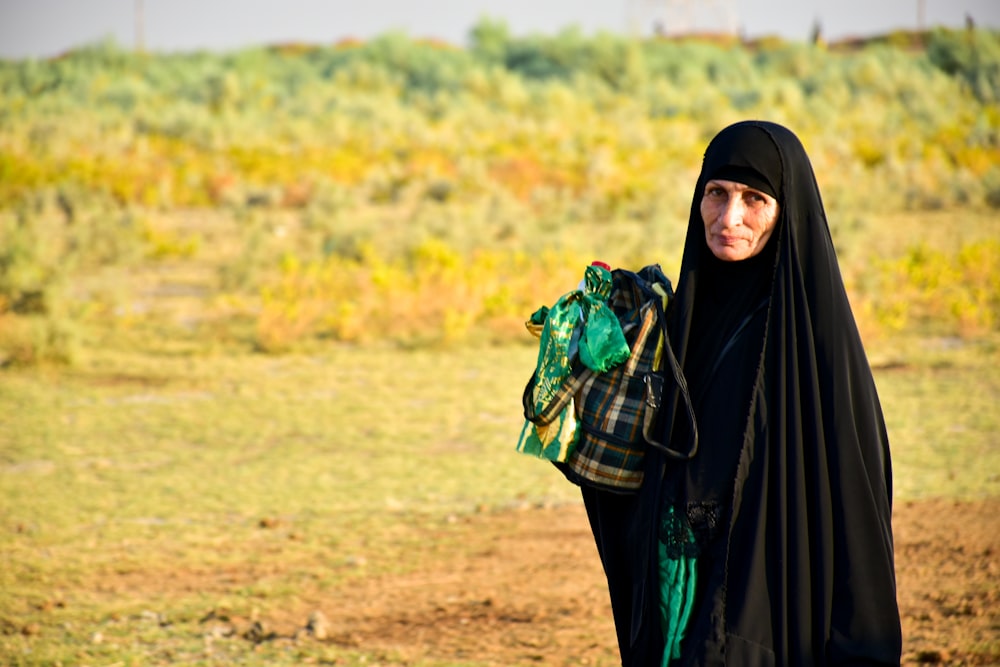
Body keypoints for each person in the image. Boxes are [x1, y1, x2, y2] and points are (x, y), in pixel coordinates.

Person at [582, 120, 902, 666]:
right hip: (677, 602)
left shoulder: (813, 350)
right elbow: (636, 469)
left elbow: (857, 516)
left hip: (767, 611)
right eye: (716, 194)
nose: (729, 218)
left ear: (787, 211)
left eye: (755, 199)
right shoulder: (678, 325)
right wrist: (592, 390)